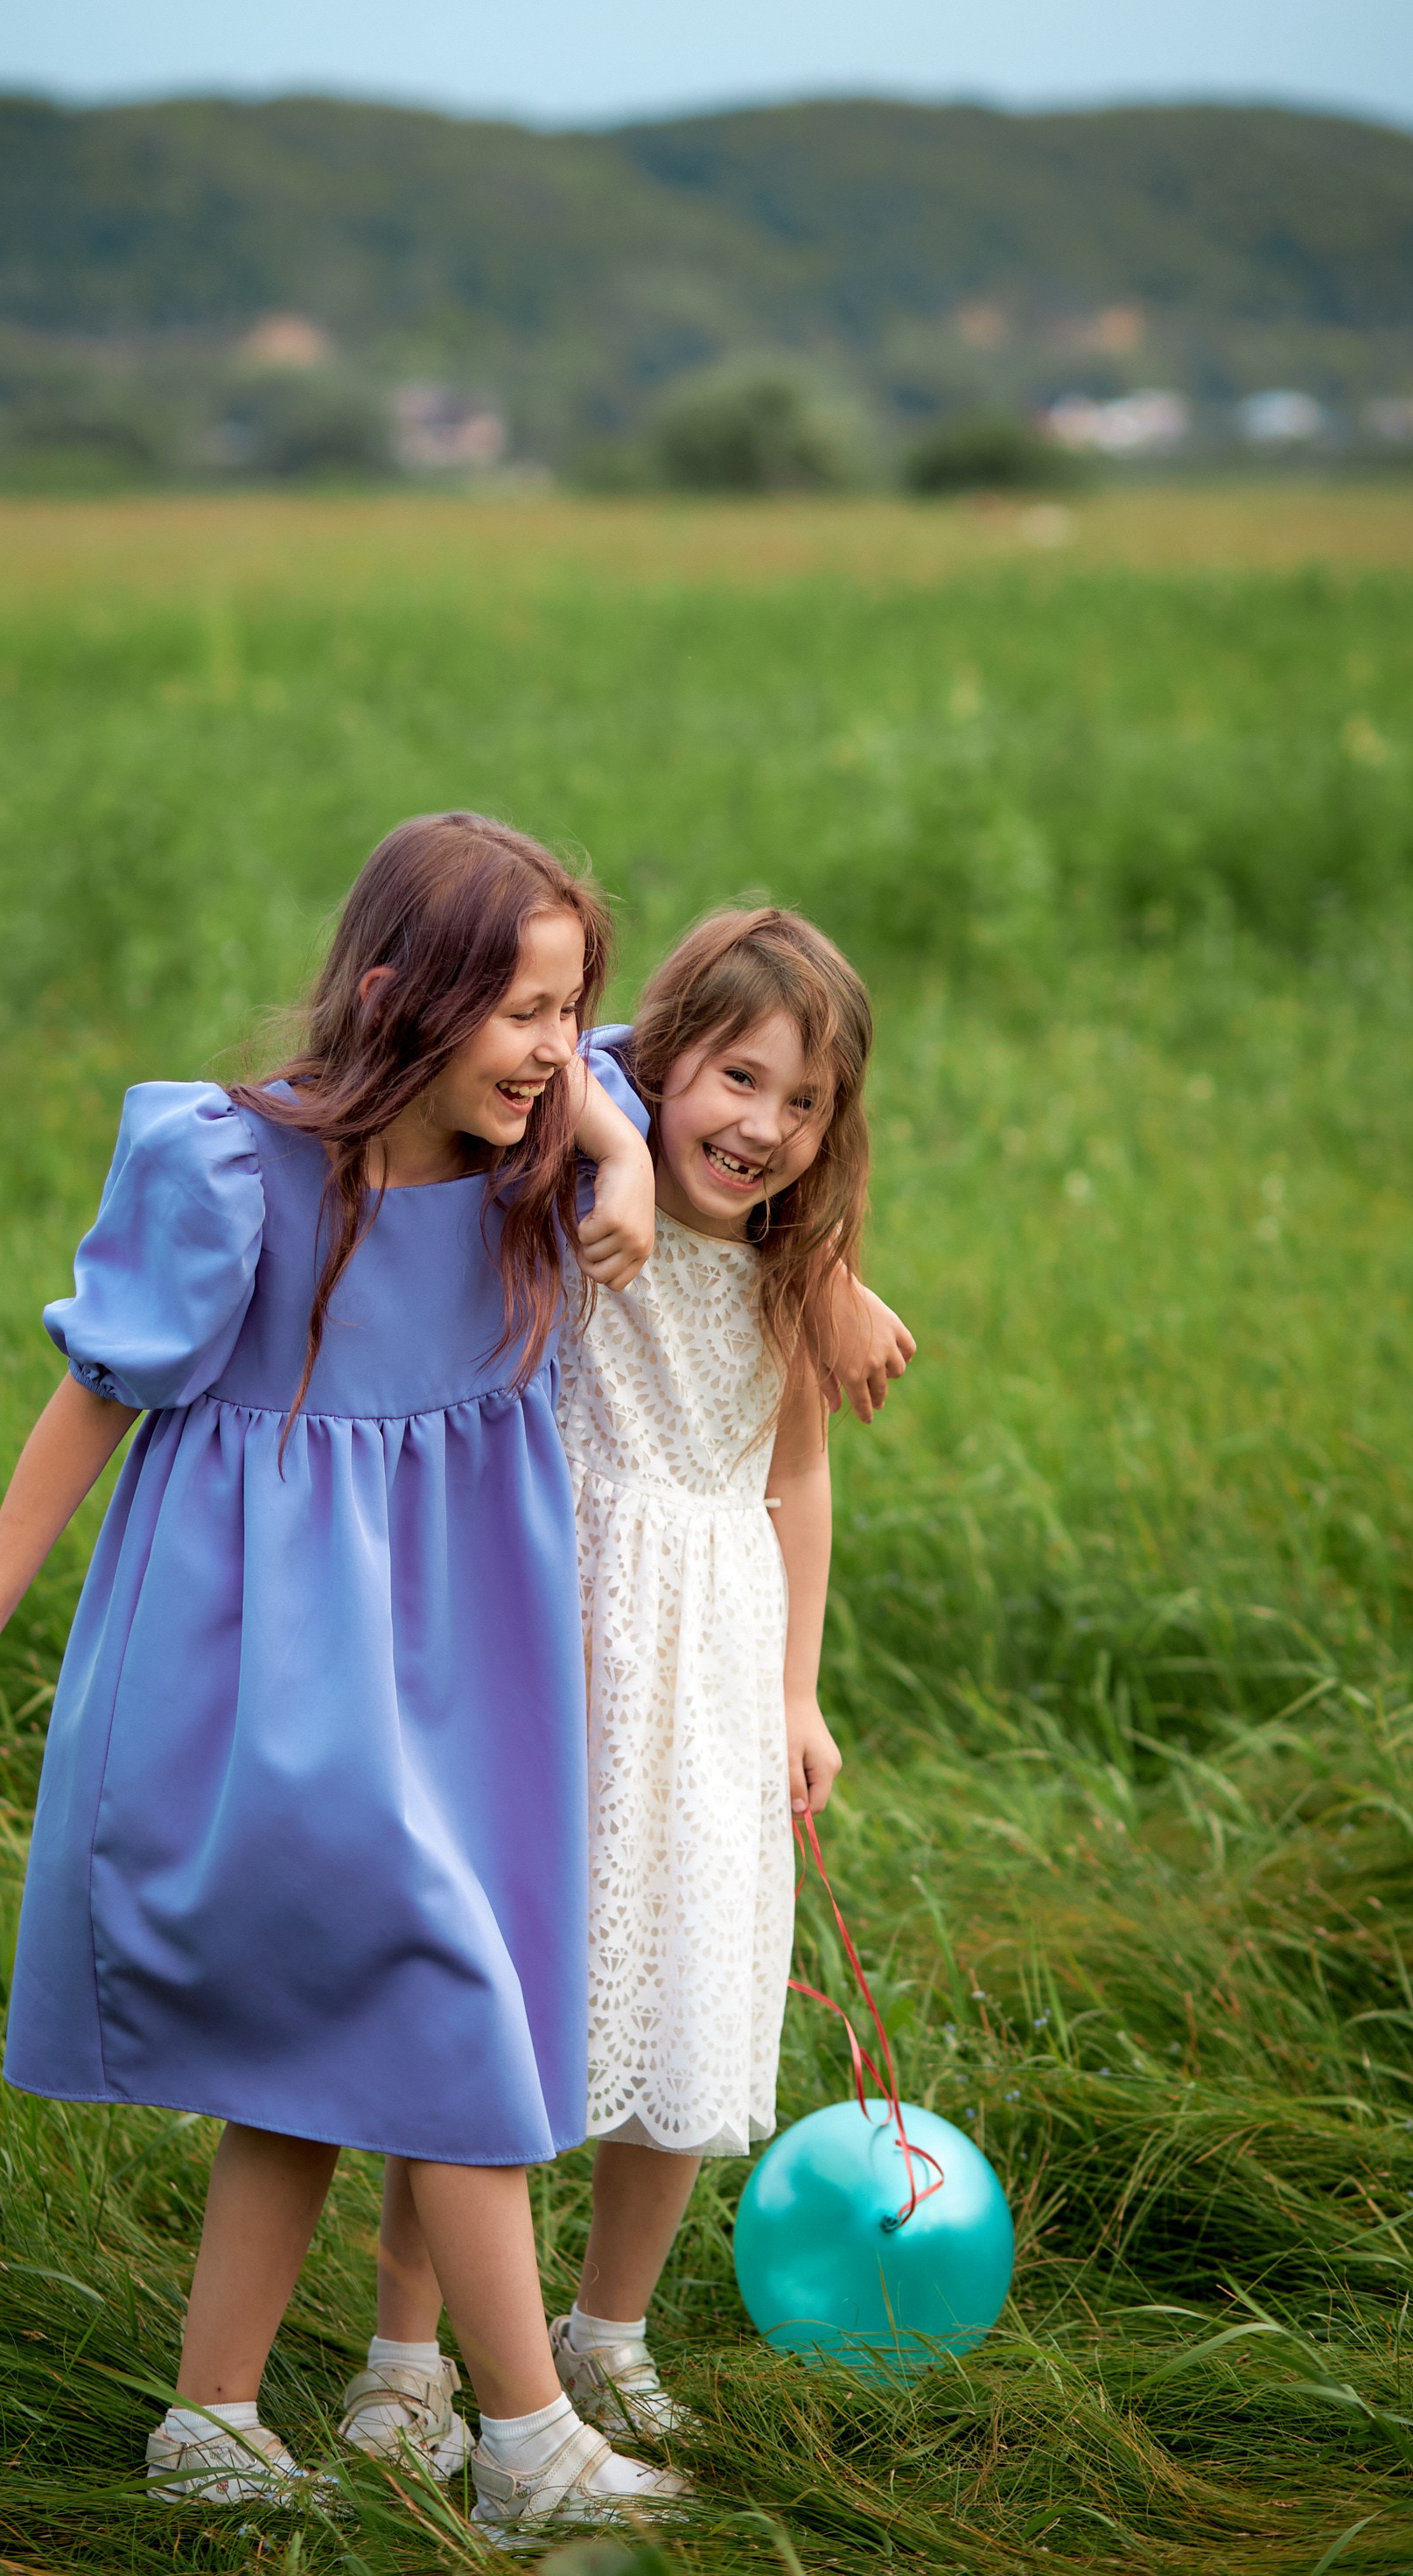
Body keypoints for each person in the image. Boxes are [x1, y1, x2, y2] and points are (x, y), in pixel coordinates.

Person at [0, 812, 690, 2535]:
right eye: (523, 1013)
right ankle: (530, 2442)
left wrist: (613, 1145)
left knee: (314, 2062)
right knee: (442, 1996)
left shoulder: (545, 1141)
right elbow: (98, 1388)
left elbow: (643, 1083)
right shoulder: (233, 1172)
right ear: (397, 995)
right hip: (270, 1674)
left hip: (467, 1673)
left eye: (570, 1013)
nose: (553, 1053)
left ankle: (214, 2423)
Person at [348, 905, 907, 2458]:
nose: (768, 1128)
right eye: (739, 1080)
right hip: (552, 1640)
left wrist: (798, 1693)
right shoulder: (581, 1192)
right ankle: (407, 2356)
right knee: (494, 2011)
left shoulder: (797, 1263)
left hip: (716, 1662)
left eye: (807, 1105)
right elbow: (570, 1065)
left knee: (683, 1995)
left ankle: (608, 2332)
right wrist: (635, 1155)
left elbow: (800, 1481)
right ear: (664, 1064)